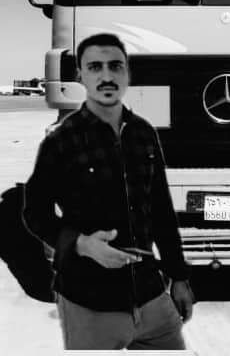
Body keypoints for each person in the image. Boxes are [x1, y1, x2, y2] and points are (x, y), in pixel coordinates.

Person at [23, 33, 194, 350]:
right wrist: (81, 244)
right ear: (81, 77)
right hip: (89, 304)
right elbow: (34, 212)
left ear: (127, 73)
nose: (106, 76)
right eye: (95, 67)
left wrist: (179, 277)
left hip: (151, 297)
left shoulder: (143, 133)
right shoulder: (62, 141)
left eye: (115, 66)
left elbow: (161, 212)